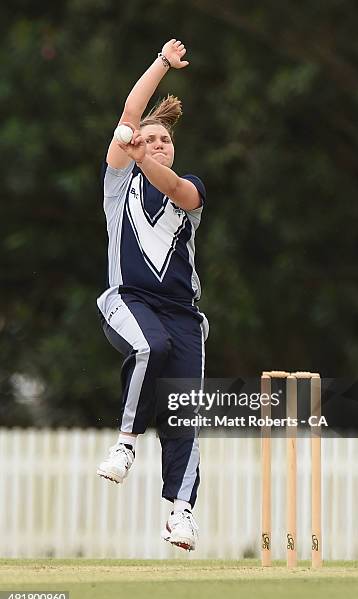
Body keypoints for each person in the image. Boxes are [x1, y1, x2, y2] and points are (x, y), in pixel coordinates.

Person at [96, 39, 208, 552]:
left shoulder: (189, 190)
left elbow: (179, 192)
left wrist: (147, 160)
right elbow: (130, 112)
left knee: (183, 411)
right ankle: (125, 444)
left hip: (184, 313)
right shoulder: (119, 184)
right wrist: (162, 63)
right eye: (151, 139)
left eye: (165, 141)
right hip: (129, 300)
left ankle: (180, 514)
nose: (158, 144)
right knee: (150, 348)